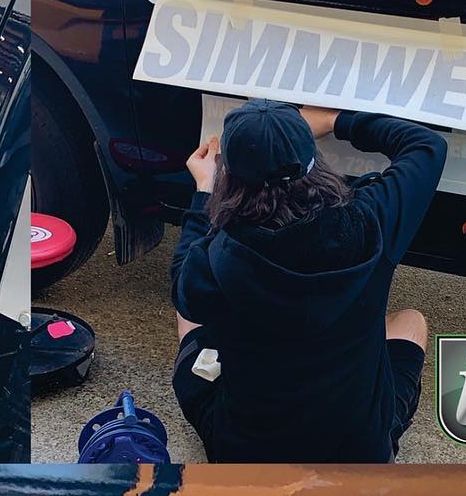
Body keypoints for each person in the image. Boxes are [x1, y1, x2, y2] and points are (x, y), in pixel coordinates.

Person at [169, 98, 447, 463]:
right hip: (360, 454)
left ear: (229, 178)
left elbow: (181, 286)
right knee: (411, 322)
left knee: (190, 311)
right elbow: (428, 145)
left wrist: (204, 193)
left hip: (245, 456)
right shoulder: (372, 219)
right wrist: (336, 119)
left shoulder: (215, 258)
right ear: (314, 163)